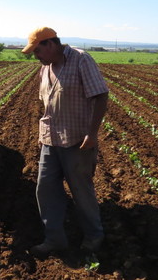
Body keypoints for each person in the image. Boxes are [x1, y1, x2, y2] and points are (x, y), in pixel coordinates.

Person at [21, 26, 109, 258]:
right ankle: (54, 239)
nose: (36, 56)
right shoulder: (45, 69)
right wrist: (42, 137)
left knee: (81, 191)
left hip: (77, 141)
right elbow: (47, 105)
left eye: (37, 51)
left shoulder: (81, 60)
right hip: (50, 141)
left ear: (50, 44)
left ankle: (94, 236)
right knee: (46, 190)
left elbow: (100, 95)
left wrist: (92, 133)